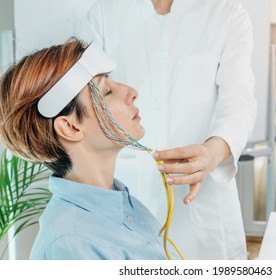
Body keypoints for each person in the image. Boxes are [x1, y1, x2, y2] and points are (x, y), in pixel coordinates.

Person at [81, 0, 257, 259]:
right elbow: (85, 101)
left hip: (202, 208)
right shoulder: (104, 14)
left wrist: (212, 153)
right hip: (127, 196)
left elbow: (239, 101)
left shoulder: (226, 13)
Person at [0, 39, 177, 260]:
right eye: (107, 92)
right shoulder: (71, 245)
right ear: (71, 127)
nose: (131, 92)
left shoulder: (128, 209)